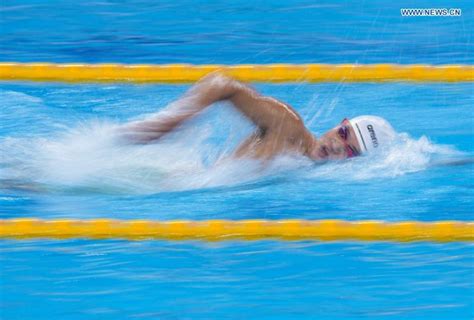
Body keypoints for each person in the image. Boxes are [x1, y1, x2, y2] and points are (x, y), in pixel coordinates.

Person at [122, 73, 396, 162]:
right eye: (344, 134)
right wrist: (171, 122)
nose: (338, 144)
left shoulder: (303, 164)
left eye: (349, 151)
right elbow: (223, 82)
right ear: (341, 123)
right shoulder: (289, 126)